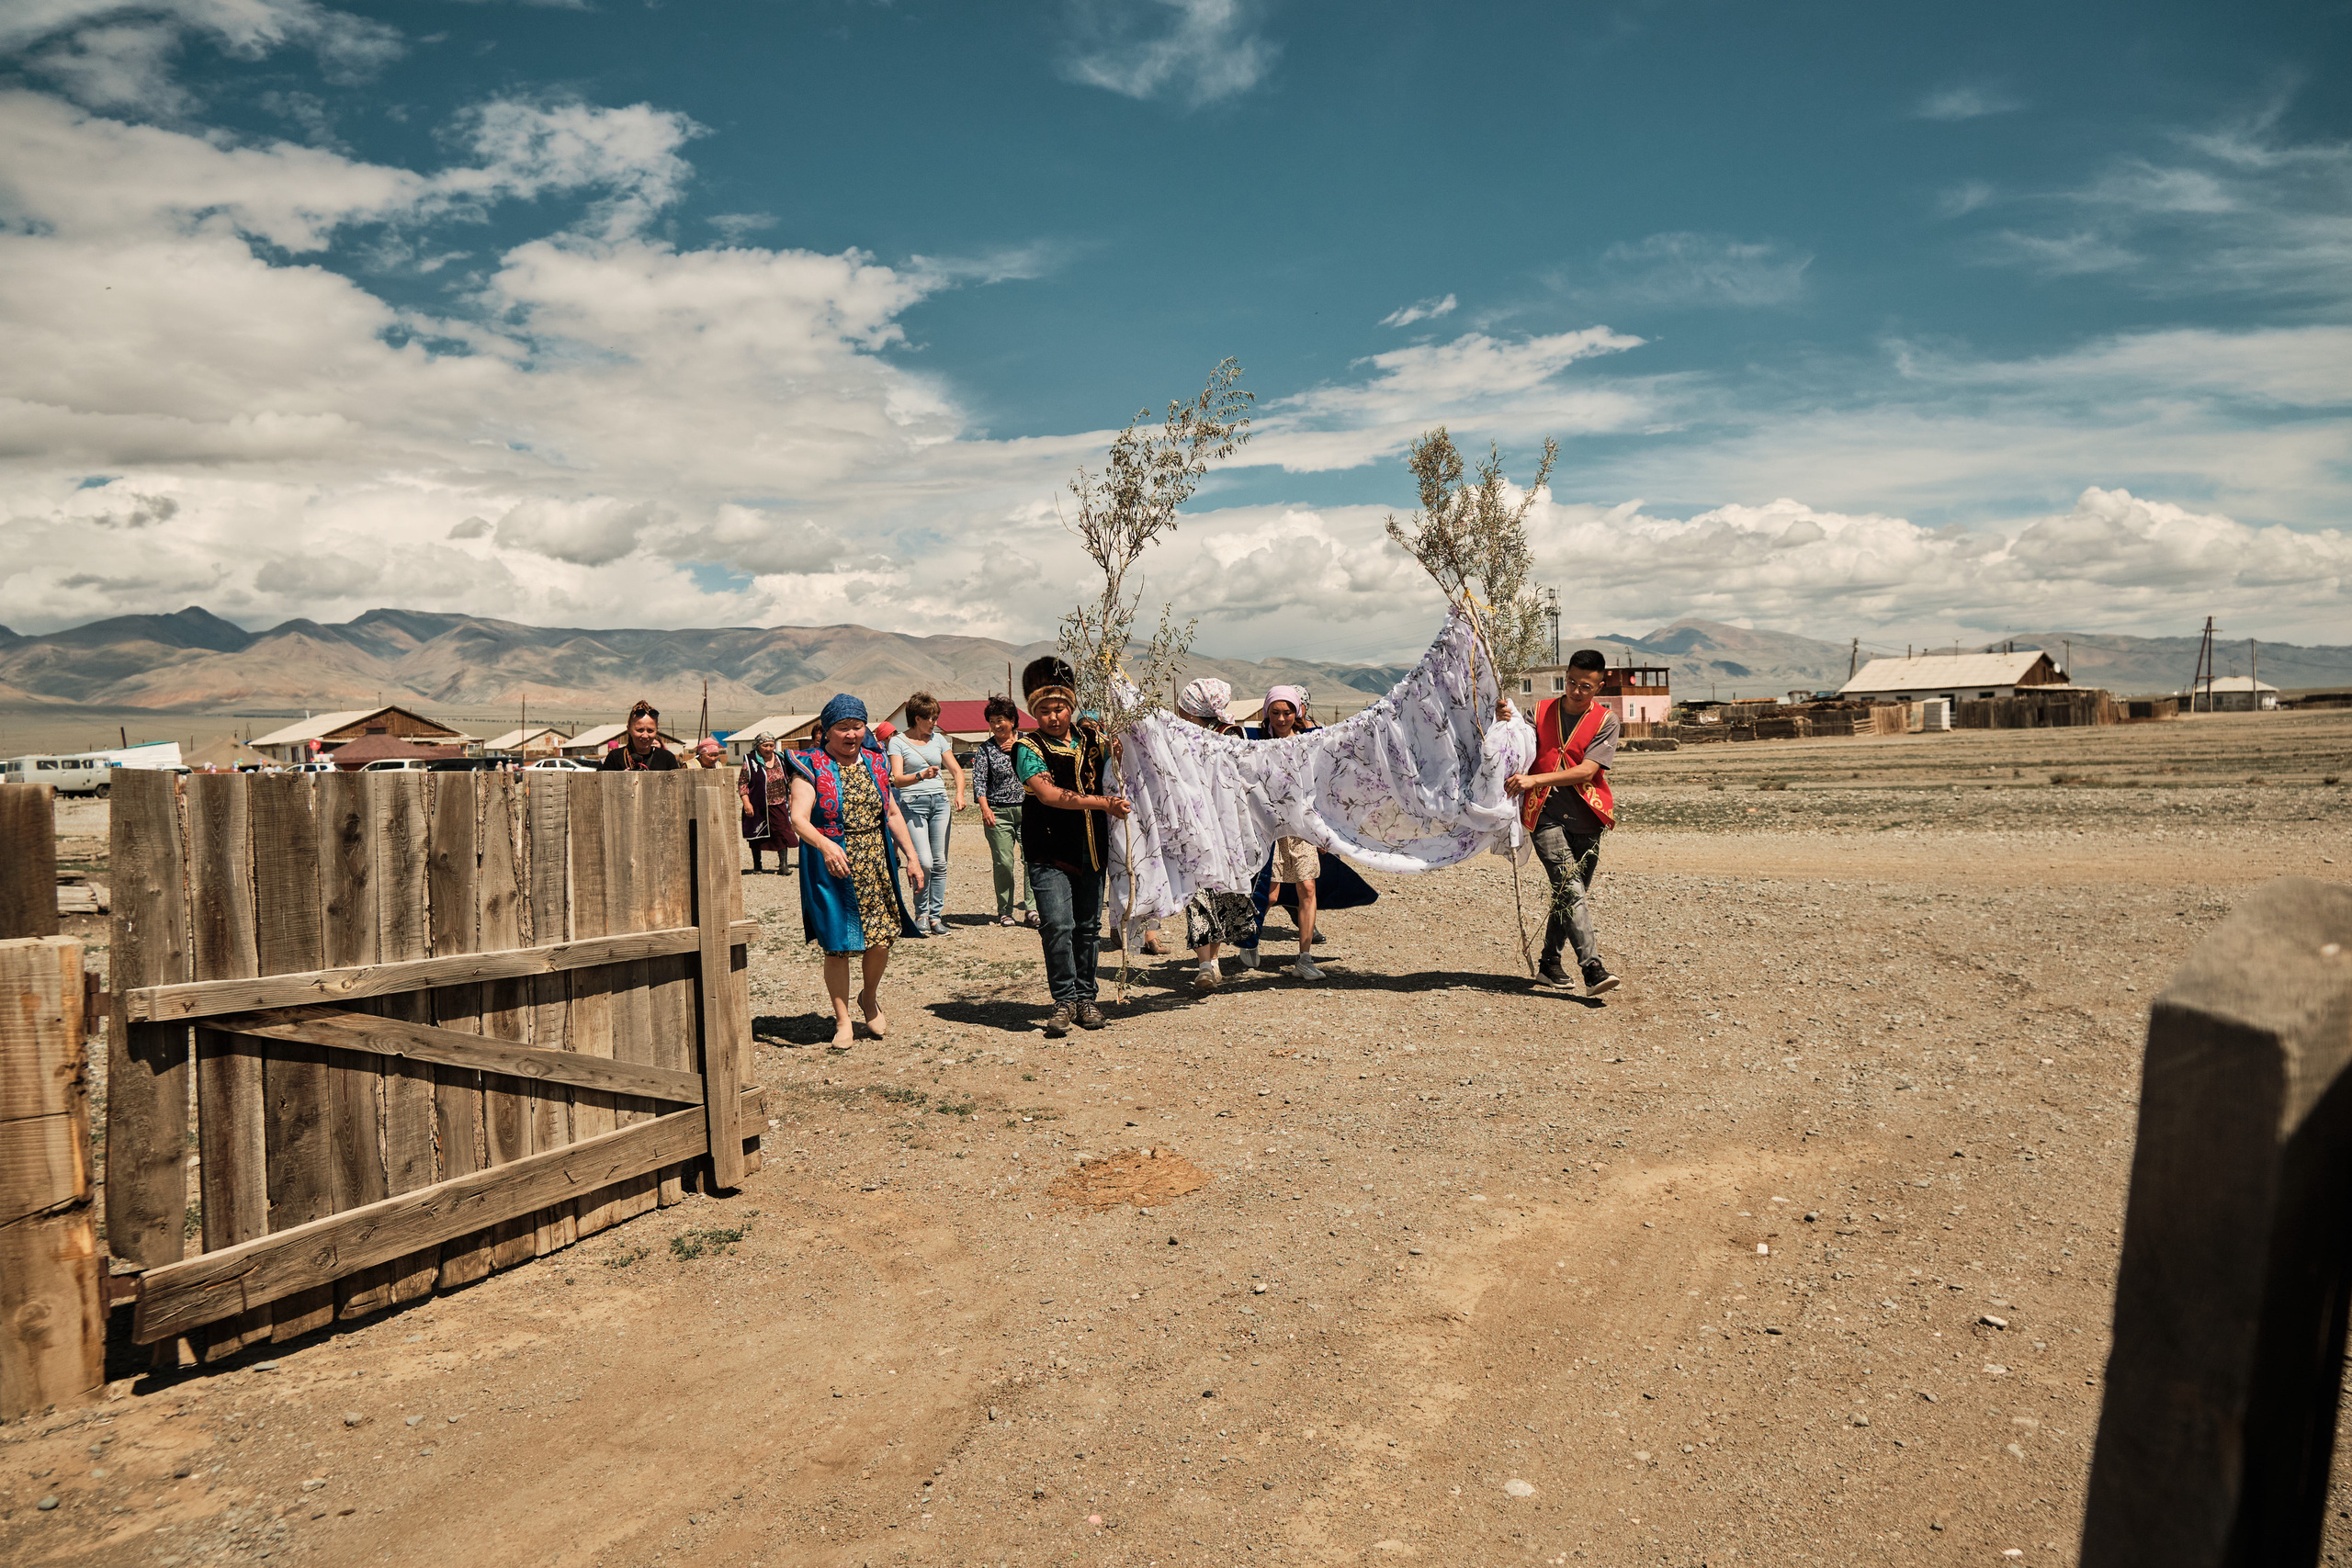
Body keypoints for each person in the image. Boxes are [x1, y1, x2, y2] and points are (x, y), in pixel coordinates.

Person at [786, 694, 926, 1045]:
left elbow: (892, 814)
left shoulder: (876, 763)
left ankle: (869, 997)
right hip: (833, 864)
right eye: (842, 728)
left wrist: (911, 856)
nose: (851, 734)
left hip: (876, 860)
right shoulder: (810, 765)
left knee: (880, 941)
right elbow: (799, 819)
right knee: (837, 944)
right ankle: (843, 1020)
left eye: (857, 727)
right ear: (826, 731)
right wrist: (825, 844)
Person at [1013, 656, 1130, 1038]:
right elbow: (1048, 795)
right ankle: (1063, 1000)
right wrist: (1103, 804)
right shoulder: (1027, 747)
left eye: (1060, 707)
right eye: (1044, 710)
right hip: (1048, 849)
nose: (1053, 716)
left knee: (1087, 928)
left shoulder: (1093, 740)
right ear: (1034, 712)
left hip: (1091, 849)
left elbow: (1126, 754)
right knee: (1057, 926)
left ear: (1072, 705)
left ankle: (1086, 999)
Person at [1506, 648, 1623, 995]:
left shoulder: (1606, 721)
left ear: (1599, 686)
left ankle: (1549, 964)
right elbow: (1513, 741)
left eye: (1585, 685)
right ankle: (1593, 969)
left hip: (1588, 815)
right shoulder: (1538, 711)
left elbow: (1588, 770)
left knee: (1569, 893)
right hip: (1543, 814)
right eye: (1570, 681)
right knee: (1570, 886)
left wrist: (1535, 779)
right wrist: (1504, 719)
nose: (1575, 690)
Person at [1174, 678, 1259, 990]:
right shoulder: (1185, 739)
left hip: (1222, 831)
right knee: (1198, 895)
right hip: (1205, 831)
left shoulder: (1229, 738)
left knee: (1221, 894)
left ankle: (1213, 960)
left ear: (1193, 709)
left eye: (1183, 706)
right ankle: (1206, 965)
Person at [1250, 685, 1327, 982]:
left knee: (1307, 888)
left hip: (1302, 827)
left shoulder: (1307, 745)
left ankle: (1304, 959)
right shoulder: (1258, 746)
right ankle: (1250, 939)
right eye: (1275, 712)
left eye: (1287, 712)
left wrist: (1320, 830)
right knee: (1269, 895)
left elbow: (1316, 788)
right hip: (1269, 829)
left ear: (1297, 713)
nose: (1282, 718)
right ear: (1267, 713)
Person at [888, 693, 967, 937]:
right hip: (913, 805)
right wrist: (921, 775)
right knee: (924, 862)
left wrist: (960, 794)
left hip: (940, 803)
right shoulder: (898, 742)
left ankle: (935, 916)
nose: (934, 722)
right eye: (930, 718)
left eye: (936, 717)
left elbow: (957, 770)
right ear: (917, 718)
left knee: (940, 862)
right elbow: (896, 779)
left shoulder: (940, 740)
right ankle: (920, 913)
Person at [971, 695, 1035, 927]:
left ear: (1012, 720)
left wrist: (1018, 748)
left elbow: (1043, 763)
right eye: (992, 721)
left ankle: (1032, 909)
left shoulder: (1029, 741)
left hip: (1029, 809)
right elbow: (978, 780)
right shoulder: (986, 749)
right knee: (1004, 863)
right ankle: (1005, 910)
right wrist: (985, 808)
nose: (997, 725)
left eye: (1001, 720)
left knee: (1032, 860)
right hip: (997, 812)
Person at [739, 732, 795, 874]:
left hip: (779, 802)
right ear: (758, 746)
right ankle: (757, 866)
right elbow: (742, 783)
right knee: (756, 834)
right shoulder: (750, 760)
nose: (769, 748)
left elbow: (789, 780)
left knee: (782, 831)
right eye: (765, 745)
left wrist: (792, 799)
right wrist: (746, 803)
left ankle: (783, 865)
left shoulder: (781, 760)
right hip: (757, 804)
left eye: (771, 745)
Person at [603, 700, 681, 770]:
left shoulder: (667, 758)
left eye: (650, 730)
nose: (645, 735)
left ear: (656, 730)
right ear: (629, 729)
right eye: (640, 730)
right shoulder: (615, 758)